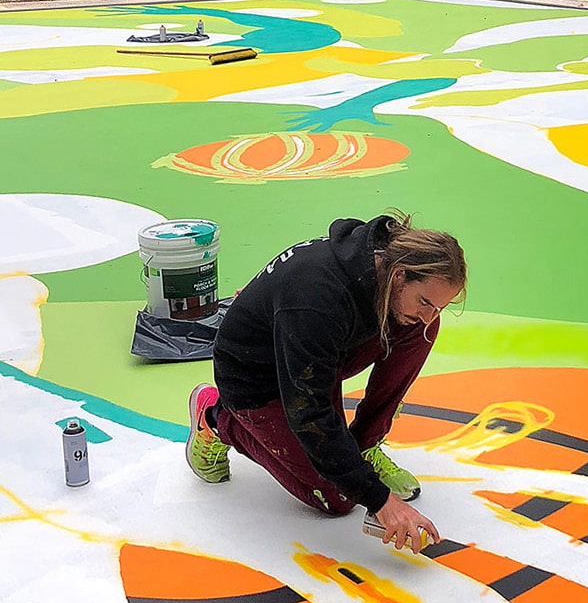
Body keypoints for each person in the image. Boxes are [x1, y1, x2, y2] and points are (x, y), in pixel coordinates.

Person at [184, 213, 466, 554]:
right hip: (256, 378)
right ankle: (217, 419)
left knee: (416, 329)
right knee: (338, 499)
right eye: (425, 301)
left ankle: (364, 445)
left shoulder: (380, 263)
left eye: (440, 307)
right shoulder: (318, 299)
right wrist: (380, 500)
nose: (429, 313)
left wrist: (355, 461)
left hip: (312, 356)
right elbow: (310, 414)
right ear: (399, 273)